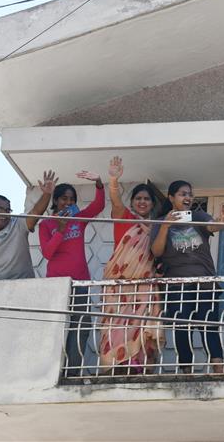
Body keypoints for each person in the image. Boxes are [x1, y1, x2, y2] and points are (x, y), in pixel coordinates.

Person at [149, 180, 224, 374]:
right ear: (171, 198)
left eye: (189, 194)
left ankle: (218, 366)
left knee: (209, 325)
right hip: (177, 285)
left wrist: (221, 223)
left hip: (204, 282)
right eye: (182, 194)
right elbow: (156, 251)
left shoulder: (198, 216)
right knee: (182, 328)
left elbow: (212, 227)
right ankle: (186, 370)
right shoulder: (160, 222)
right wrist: (165, 226)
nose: (187, 197)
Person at [98, 156, 164, 373]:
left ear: (153, 203)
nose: (142, 202)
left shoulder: (156, 228)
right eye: (138, 198)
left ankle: (139, 366)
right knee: (118, 327)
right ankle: (117, 365)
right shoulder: (124, 217)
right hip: (119, 287)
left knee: (141, 325)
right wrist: (113, 180)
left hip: (145, 287)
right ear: (133, 202)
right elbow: (116, 200)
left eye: (147, 199)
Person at [38, 171, 106, 376]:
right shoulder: (46, 224)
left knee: (81, 325)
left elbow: (98, 207)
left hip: (80, 281)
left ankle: (72, 371)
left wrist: (99, 184)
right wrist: (60, 229)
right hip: (57, 283)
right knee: (55, 326)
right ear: (56, 201)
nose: (67, 203)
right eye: (63, 199)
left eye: (71, 199)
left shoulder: (79, 218)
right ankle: (51, 371)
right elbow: (48, 253)